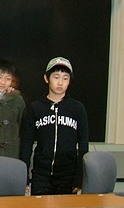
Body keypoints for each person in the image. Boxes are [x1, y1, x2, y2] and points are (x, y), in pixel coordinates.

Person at [20, 57, 89, 195]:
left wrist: (79, 177)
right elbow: (26, 143)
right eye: (56, 77)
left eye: (65, 78)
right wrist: (23, 175)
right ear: (47, 78)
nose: (60, 82)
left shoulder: (77, 108)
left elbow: (83, 144)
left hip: (68, 175)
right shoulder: (35, 108)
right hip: (41, 174)